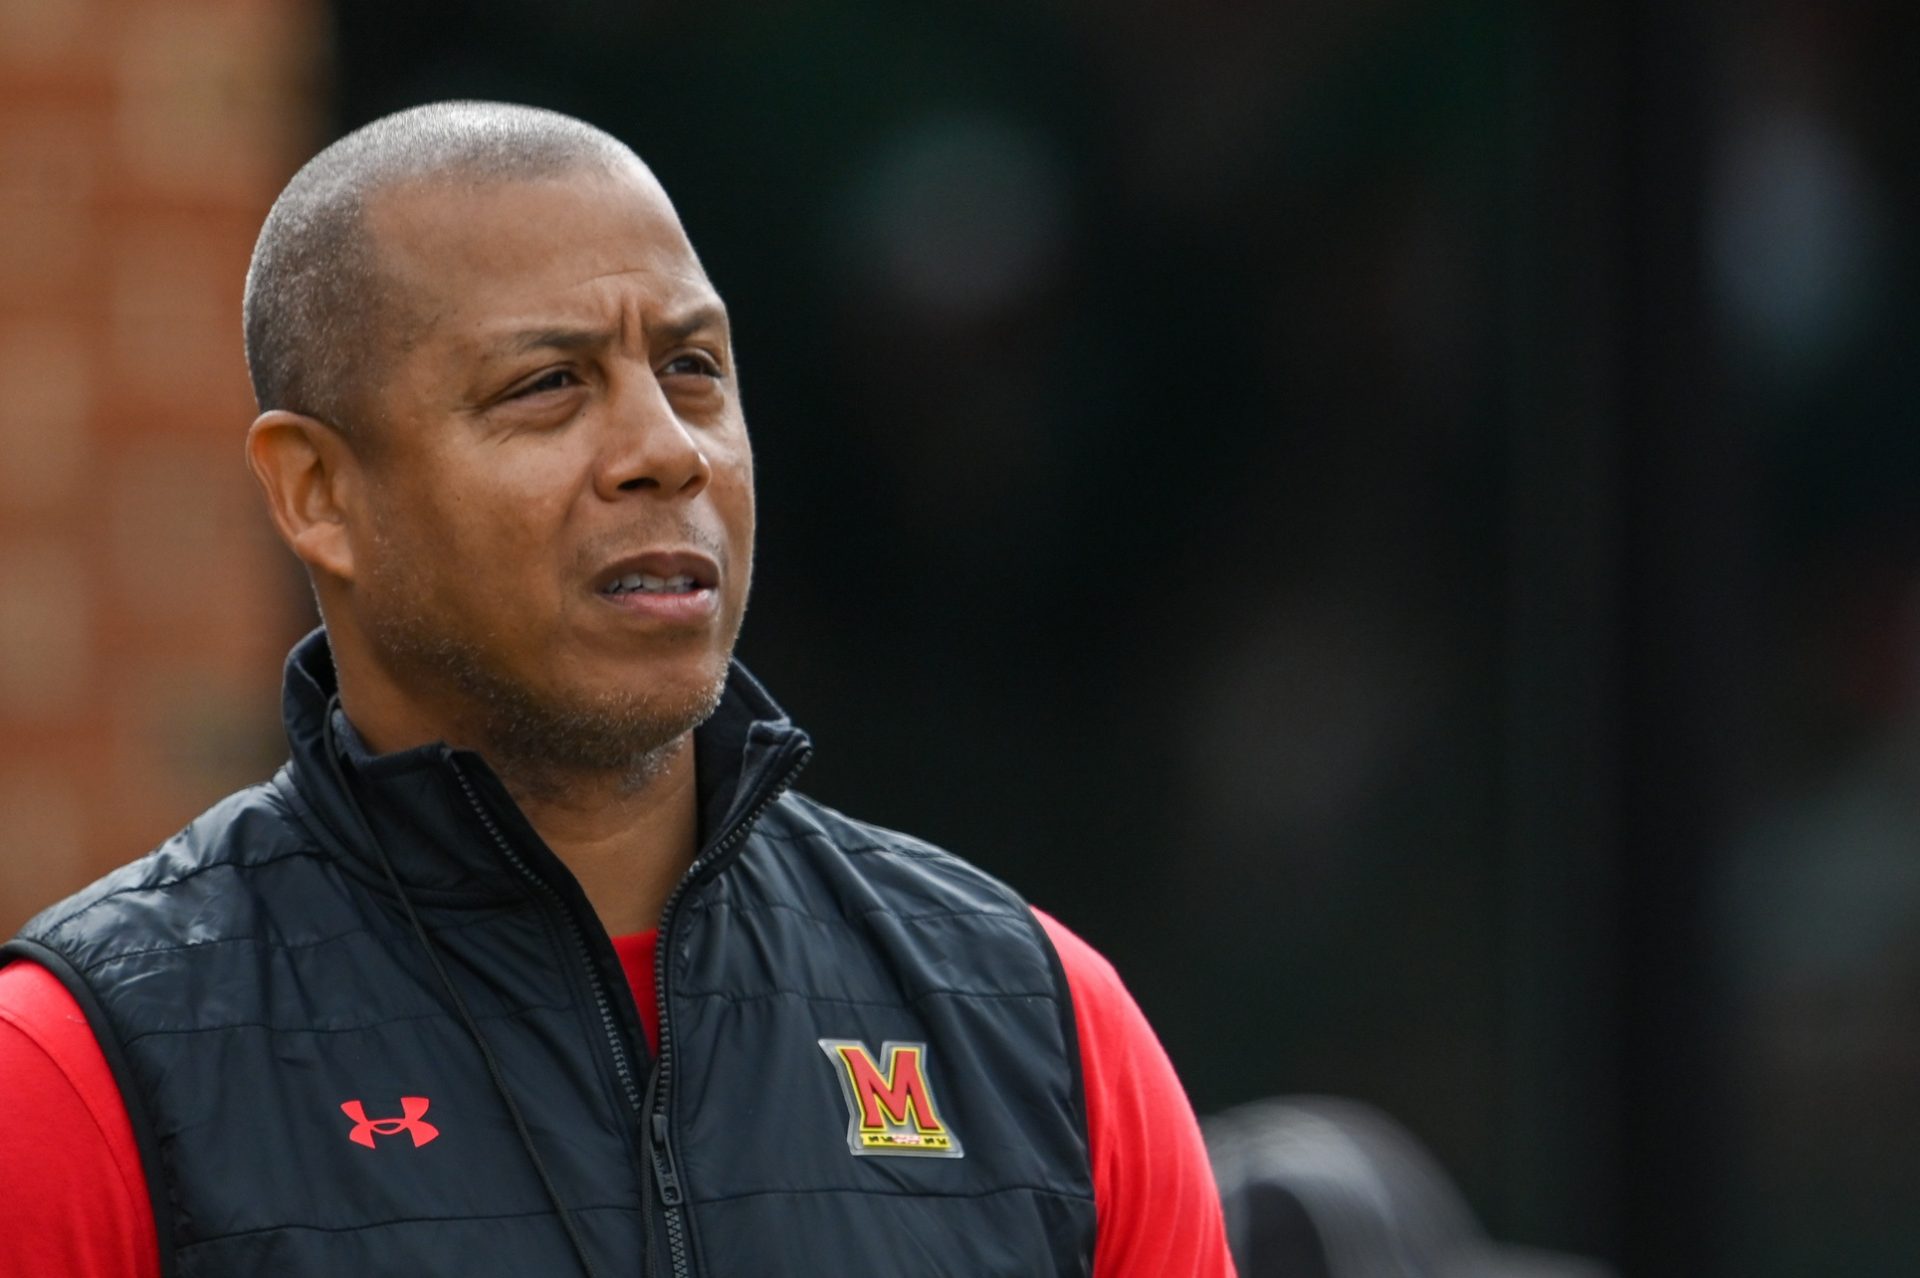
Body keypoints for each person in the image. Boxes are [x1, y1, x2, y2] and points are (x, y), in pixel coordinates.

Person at [0, 102, 1233, 1277]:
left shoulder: (1039, 1025)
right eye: (548, 385)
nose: (665, 449)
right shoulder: (79, 1075)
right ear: (319, 493)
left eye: (694, 368)